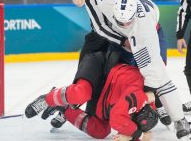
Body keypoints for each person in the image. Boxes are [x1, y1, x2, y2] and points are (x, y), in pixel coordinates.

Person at [72, 0, 172, 128]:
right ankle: (71, 107)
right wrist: (121, 41)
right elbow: (100, 26)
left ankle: (156, 104)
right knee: (87, 75)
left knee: (150, 69)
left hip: (128, 32)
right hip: (104, 37)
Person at [25, 51, 158, 141]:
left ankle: (65, 108)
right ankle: (48, 98)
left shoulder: (147, 107)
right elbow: (117, 119)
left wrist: (133, 134)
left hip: (105, 98)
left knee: (101, 131)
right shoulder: (139, 97)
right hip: (101, 70)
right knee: (81, 94)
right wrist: (138, 135)